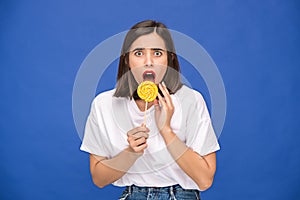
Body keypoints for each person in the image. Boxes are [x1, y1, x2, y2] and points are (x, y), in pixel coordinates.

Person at [80, 20, 220, 200]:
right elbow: (99, 179)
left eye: (157, 53)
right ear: (127, 60)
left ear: (169, 59)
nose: (148, 62)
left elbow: (204, 180)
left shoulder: (190, 100)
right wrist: (131, 152)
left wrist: (166, 131)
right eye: (139, 53)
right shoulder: (104, 104)